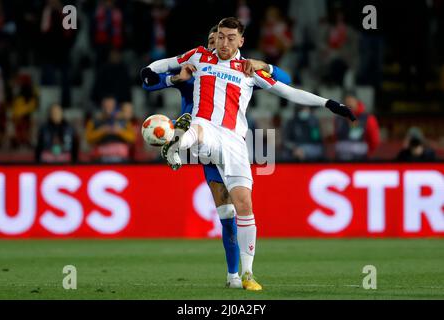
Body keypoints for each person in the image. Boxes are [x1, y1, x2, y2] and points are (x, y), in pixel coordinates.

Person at [145, 17, 355, 291]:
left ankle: (245, 274)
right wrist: (172, 76)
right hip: (203, 131)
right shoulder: (196, 59)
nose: (221, 43)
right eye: (218, 37)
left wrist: (328, 103)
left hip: (234, 140)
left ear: (241, 41)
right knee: (197, 131)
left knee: (243, 206)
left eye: (229, 38)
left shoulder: (247, 70)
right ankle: (176, 145)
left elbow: (288, 87)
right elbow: (151, 76)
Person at [141, 24, 291, 289]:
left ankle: (238, 275)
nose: (216, 45)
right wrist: (175, 79)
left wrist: (261, 65)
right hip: (201, 142)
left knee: (235, 210)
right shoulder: (195, 68)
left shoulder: (239, 71)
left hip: (228, 142)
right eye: (212, 40)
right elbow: (147, 82)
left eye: (220, 40)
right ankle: (235, 274)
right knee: (225, 211)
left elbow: (286, 81)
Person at [85, 95, 136, 162]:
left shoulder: (124, 121)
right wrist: (102, 130)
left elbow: (132, 138)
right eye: (106, 105)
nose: (109, 108)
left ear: (115, 106)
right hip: (100, 159)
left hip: (121, 159)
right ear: (102, 106)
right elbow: (88, 139)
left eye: (111, 105)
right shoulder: (95, 121)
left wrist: (119, 131)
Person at [334, 92, 380, 161]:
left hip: (360, 159)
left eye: (351, 101)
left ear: (357, 101)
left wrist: (367, 154)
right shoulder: (338, 119)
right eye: (346, 102)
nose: (349, 104)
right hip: (341, 160)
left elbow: (374, 140)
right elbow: (336, 137)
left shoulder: (368, 118)